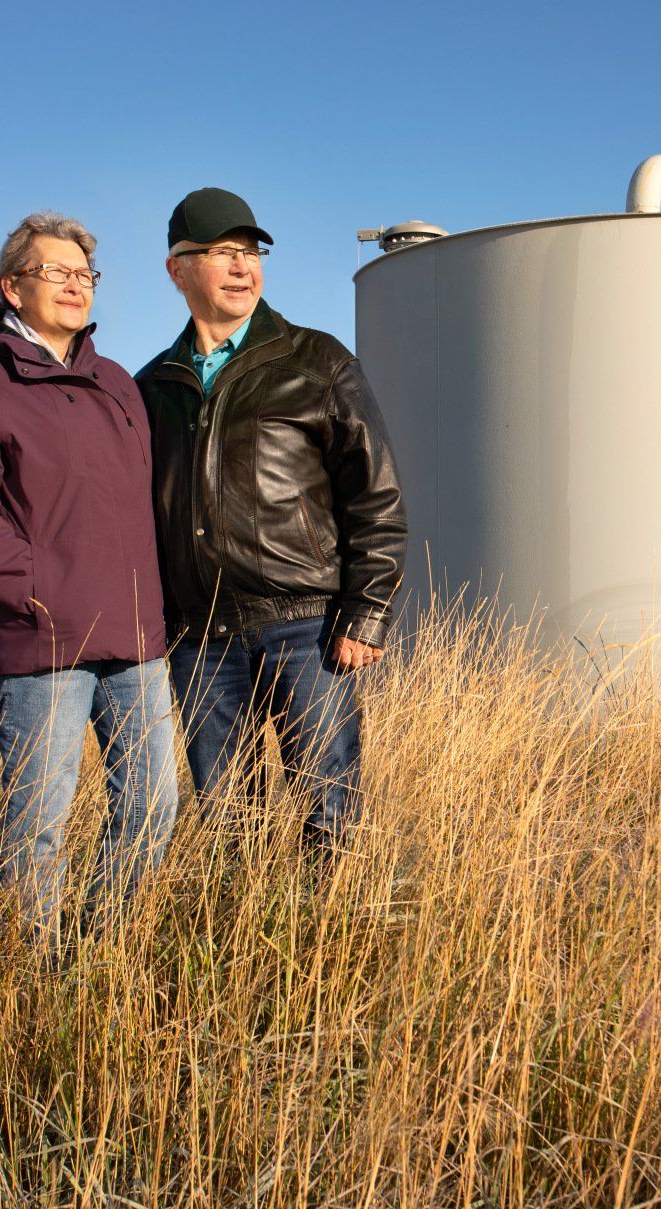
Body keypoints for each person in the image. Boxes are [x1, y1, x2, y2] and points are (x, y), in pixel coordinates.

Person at [0, 211, 178, 943]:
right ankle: (37, 974)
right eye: (55, 273)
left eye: (84, 275)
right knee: (40, 821)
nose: (75, 286)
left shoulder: (115, 383)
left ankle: (98, 946)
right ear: (12, 287)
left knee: (154, 804)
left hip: (136, 636)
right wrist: (35, 589)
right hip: (44, 641)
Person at [136, 187, 406, 850]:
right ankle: (241, 943)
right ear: (177, 269)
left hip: (306, 628)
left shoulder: (315, 361)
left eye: (251, 252)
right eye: (223, 253)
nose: (242, 267)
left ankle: (326, 947)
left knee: (328, 808)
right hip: (199, 640)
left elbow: (375, 494)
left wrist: (365, 612)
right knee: (228, 819)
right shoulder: (150, 387)